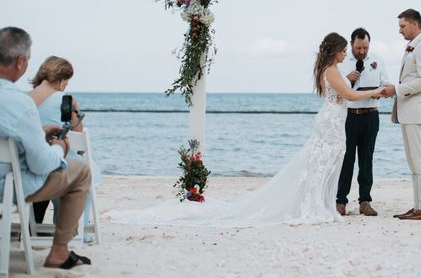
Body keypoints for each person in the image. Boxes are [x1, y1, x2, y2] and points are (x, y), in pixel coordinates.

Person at [110, 32, 383, 227]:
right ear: (336, 50)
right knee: (323, 165)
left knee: (326, 164)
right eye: (344, 49)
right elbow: (349, 95)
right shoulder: (333, 69)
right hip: (332, 121)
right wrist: (379, 91)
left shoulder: (328, 68)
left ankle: (322, 204)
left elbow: (340, 92)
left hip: (332, 120)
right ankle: (317, 206)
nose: (346, 53)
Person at [0, 27, 91, 270]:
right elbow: (40, 163)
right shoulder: (18, 103)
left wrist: (39, 133)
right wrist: (60, 148)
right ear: (20, 62)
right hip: (6, 187)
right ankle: (59, 253)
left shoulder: (27, 98)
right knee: (79, 170)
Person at [28, 56, 101, 242]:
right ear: (59, 79)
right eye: (66, 80)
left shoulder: (24, 99)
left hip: (30, 167)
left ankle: (33, 226)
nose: (67, 85)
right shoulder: (66, 100)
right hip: (59, 166)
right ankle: (75, 231)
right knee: (84, 166)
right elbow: (78, 138)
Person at [381, 9, 421, 221]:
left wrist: (396, 89)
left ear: (415, 24)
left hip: (417, 113)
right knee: (414, 162)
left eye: (402, 26)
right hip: (409, 113)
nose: (400, 30)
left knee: (420, 162)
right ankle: (418, 206)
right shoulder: (413, 47)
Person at [336, 27, 390, 217]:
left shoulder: (378, 59)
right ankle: (340, 201)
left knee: (366, 160)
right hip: (348, 116)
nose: (362, 52)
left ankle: (365, 201)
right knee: (346, 159)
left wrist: (384, 91)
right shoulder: (341, 62)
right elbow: (336, 90)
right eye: (358, 48)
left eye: (365, 48)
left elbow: (387, 83)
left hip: (370, 115)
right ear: (351, 45)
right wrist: (347, 79)